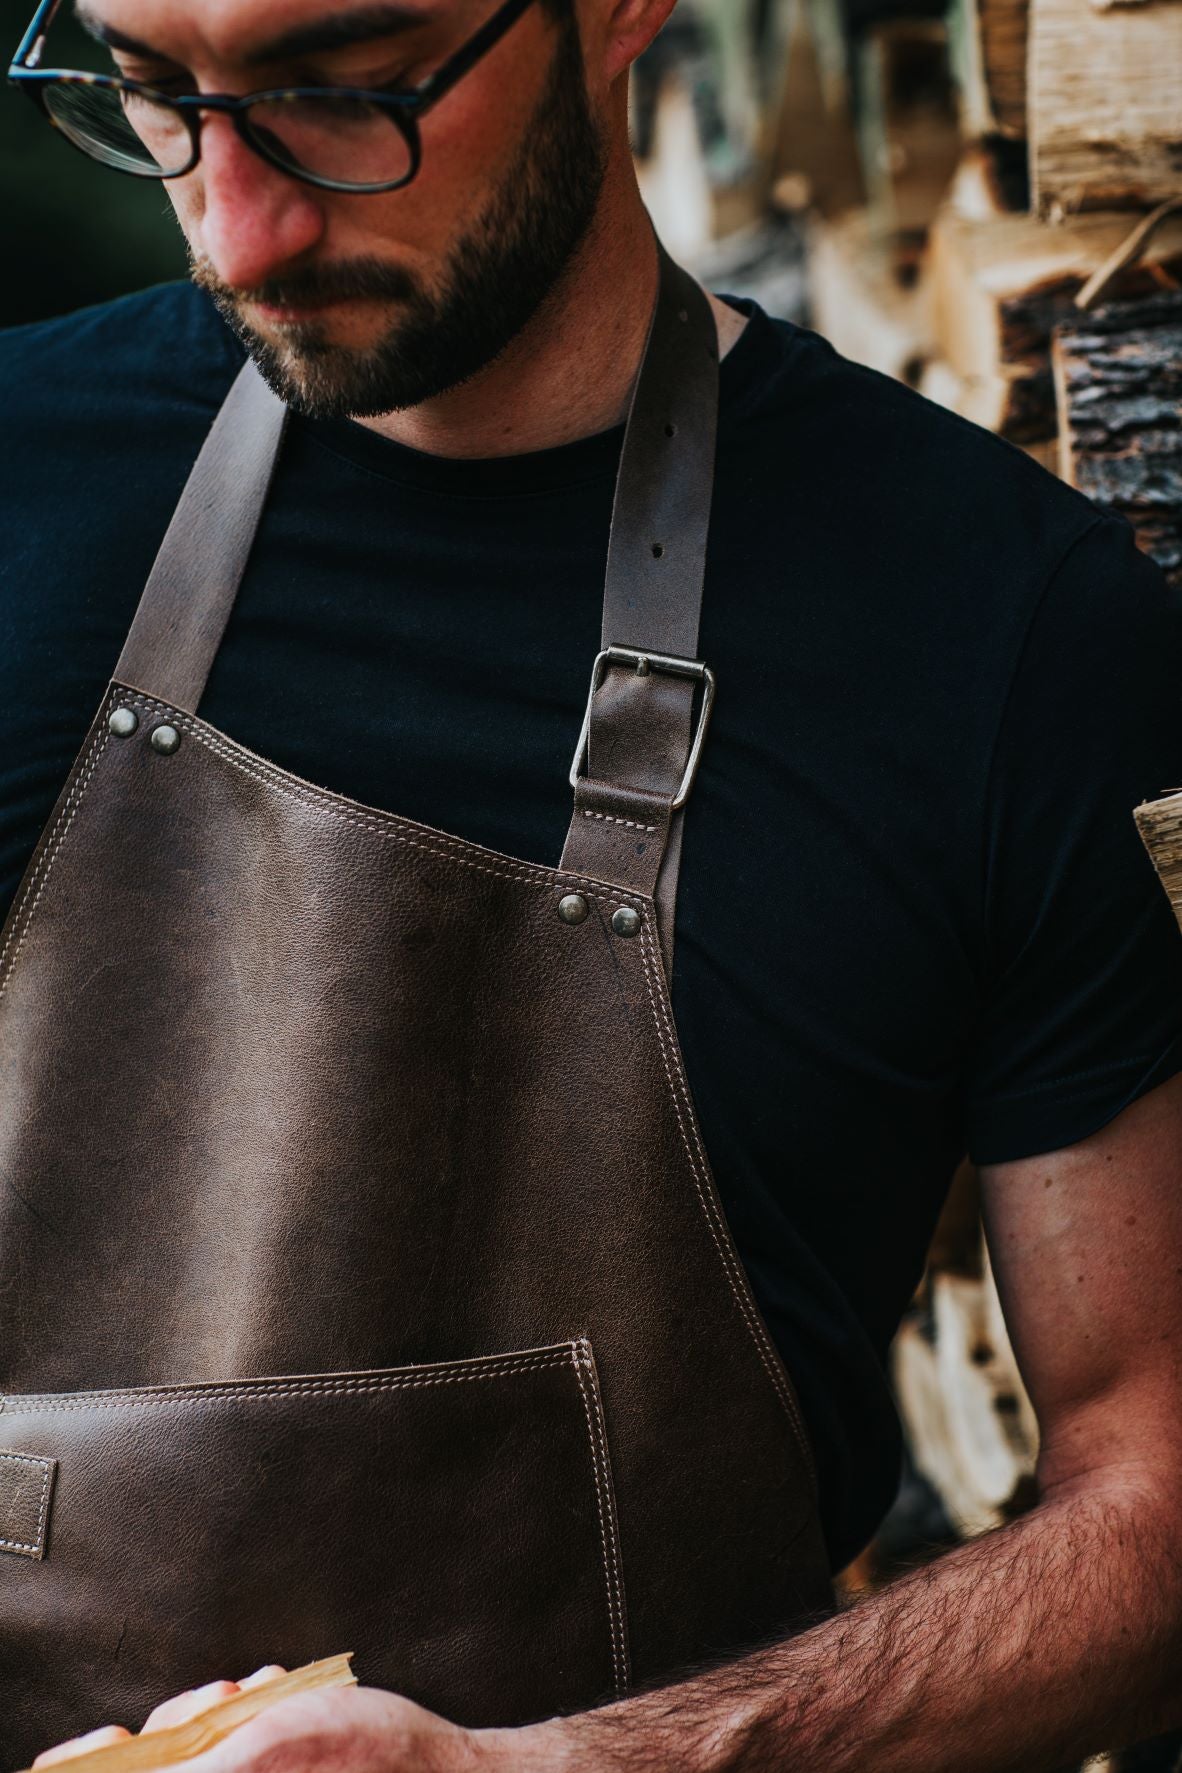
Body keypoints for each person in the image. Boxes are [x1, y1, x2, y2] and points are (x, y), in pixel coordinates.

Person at [2, 0, 1182, 1766]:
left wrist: (571, 1766)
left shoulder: (995, 631)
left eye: (345, 88)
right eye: (157, 93)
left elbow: (1153, 1490)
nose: (235, 223)